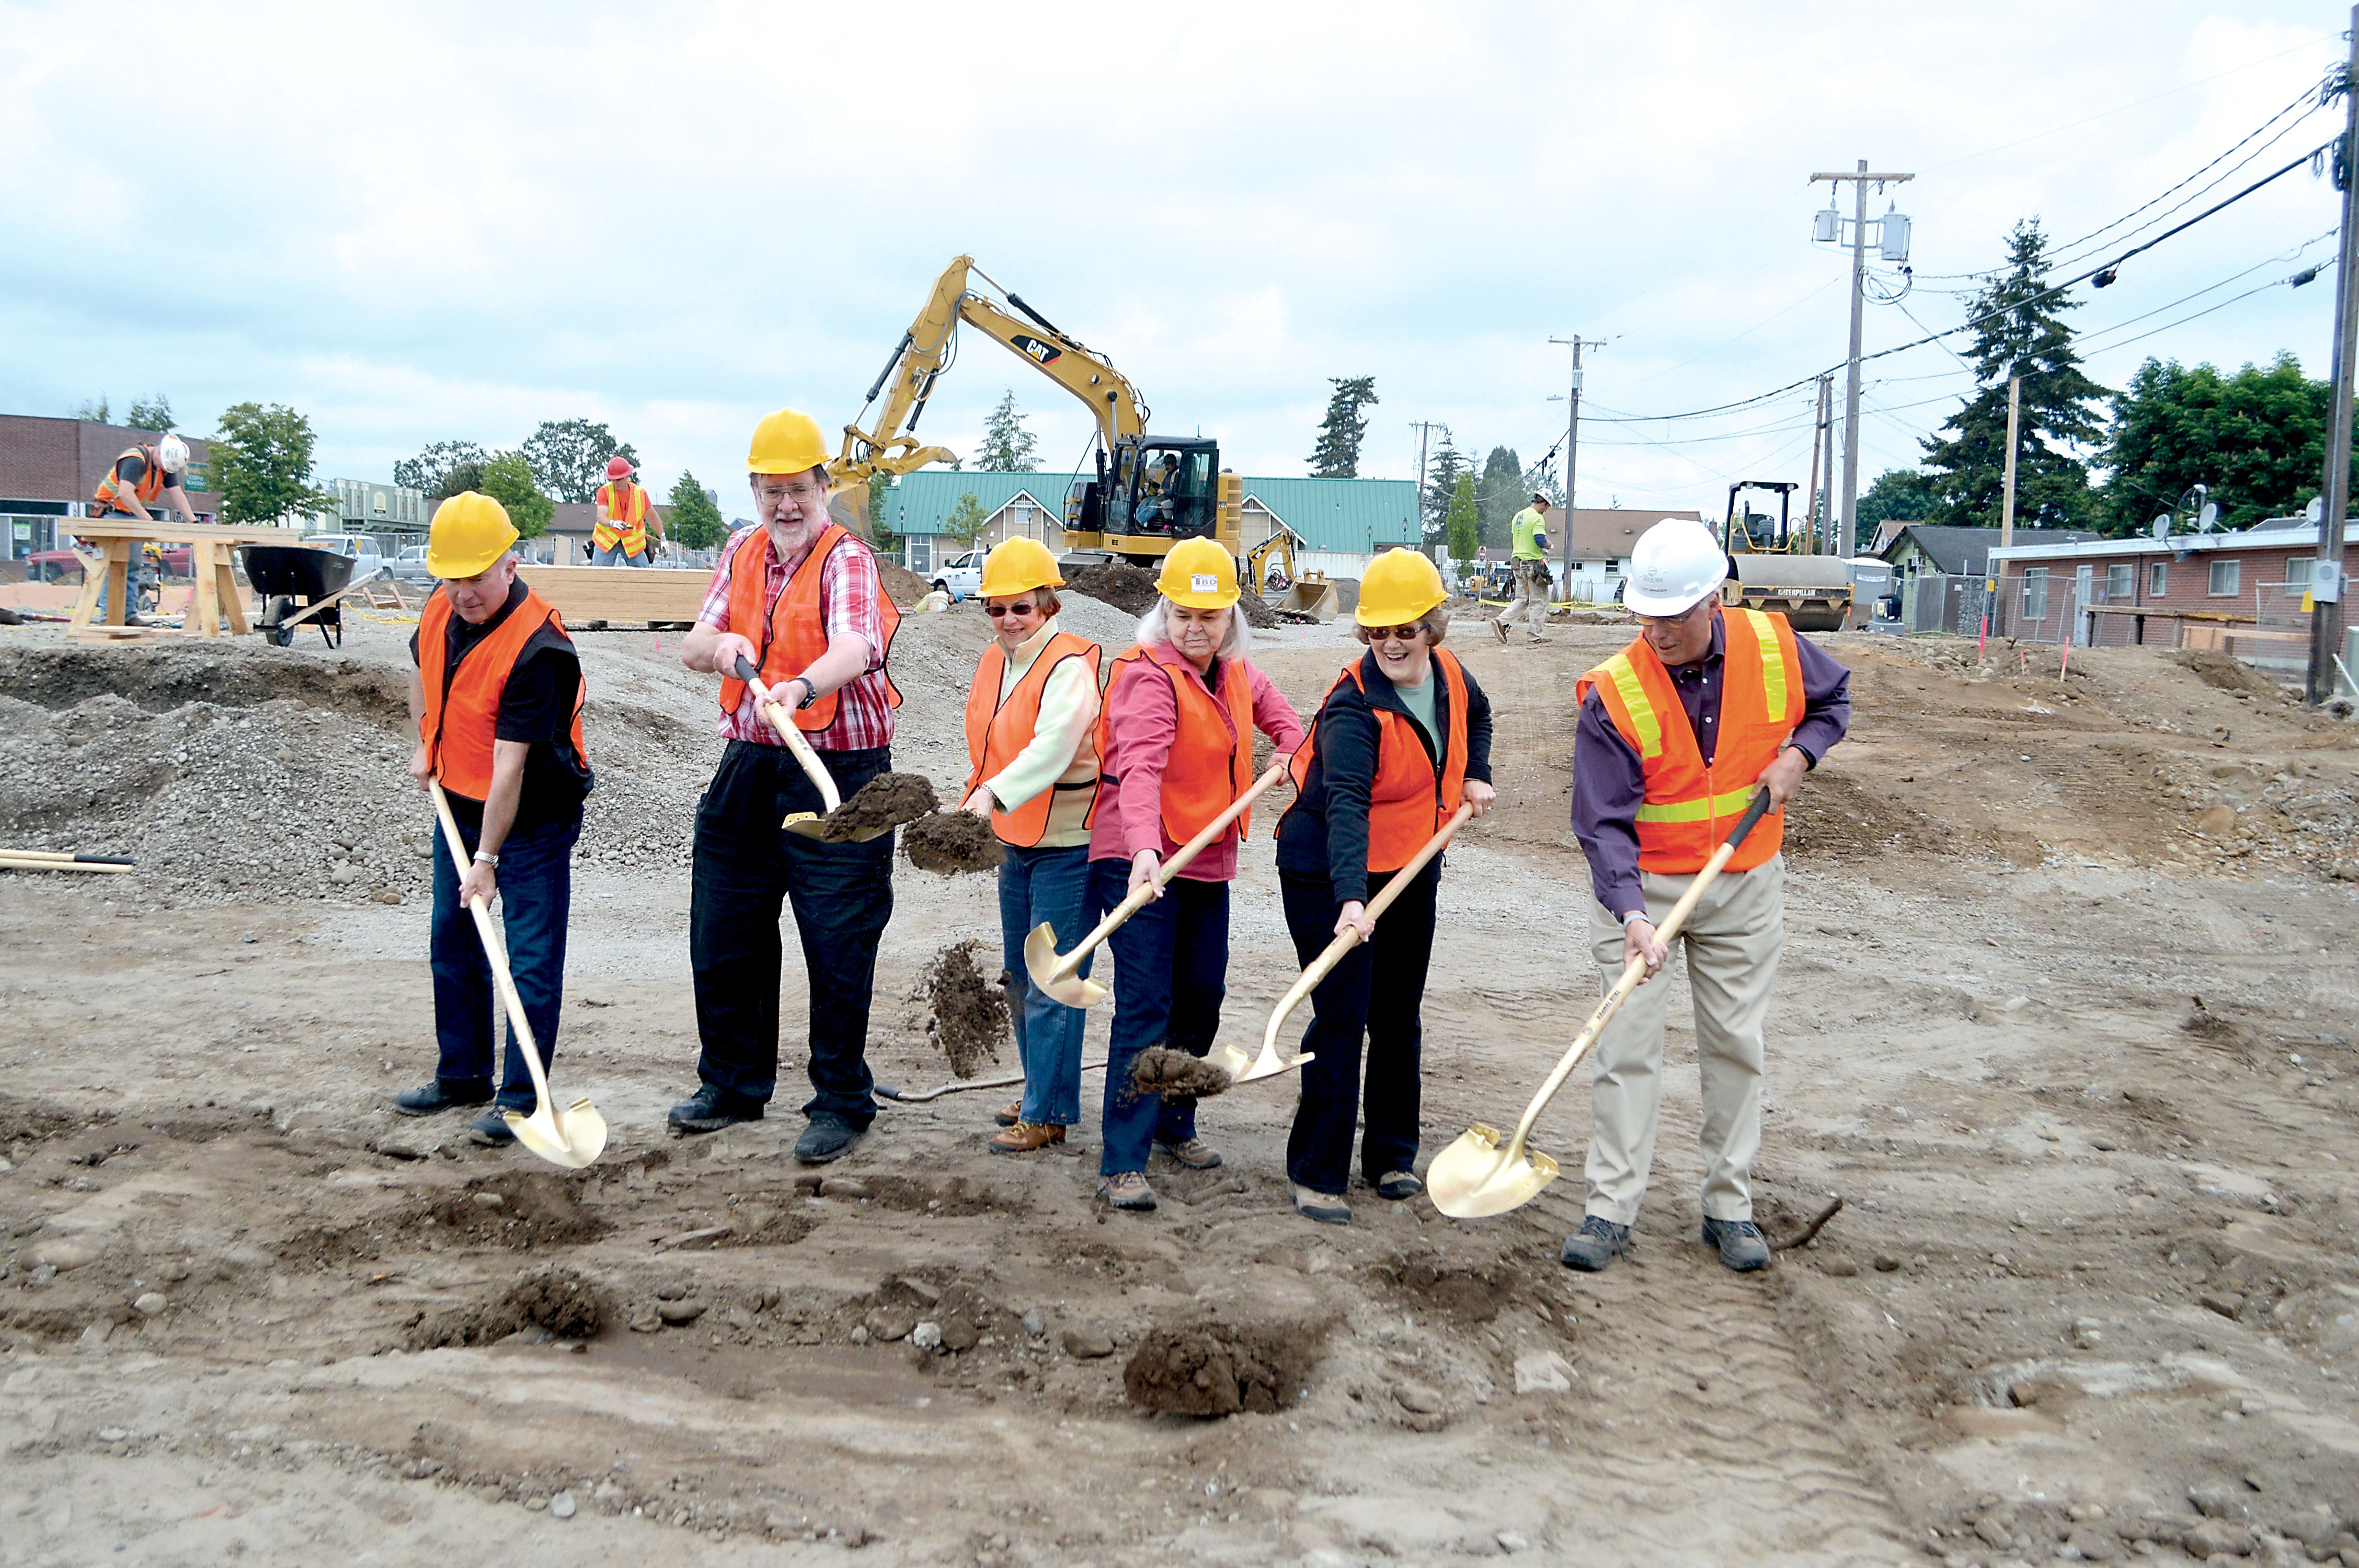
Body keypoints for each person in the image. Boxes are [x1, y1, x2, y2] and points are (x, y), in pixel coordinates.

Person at [1563, 517, 1849, 1273]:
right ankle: (1610, 1207)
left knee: (1734, 1045)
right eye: (1645, 617)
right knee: (1625, 1046)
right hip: (1644, 890)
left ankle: (1729, 1206)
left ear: (1715, 600)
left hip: (1744, 881)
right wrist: (1630, 914)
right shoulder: (1614, 693)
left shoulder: (1777, 644)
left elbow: (1833, 704)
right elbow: (1600, 825)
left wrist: (1801, 754)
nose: (1657, 632)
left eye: (1674, 617)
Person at [674, 408, 902, 1164]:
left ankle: (841, 1098)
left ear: (824, 485)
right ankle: (734, 1084)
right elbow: (695, 644)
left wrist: (800, 687)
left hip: (838, 772)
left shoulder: (848, 561)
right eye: (772, 491)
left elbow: (856, 645)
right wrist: (723, 648)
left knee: (839, 941)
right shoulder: (741, 550)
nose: (786, 506)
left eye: (798, 489)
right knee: (725, 929)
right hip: (748, 767)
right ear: (754, 489)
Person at [1275, 549, 1495, 1224]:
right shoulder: (1353, 707)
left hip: (1411, 864)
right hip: (1327, 872)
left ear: (1434, 626)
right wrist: (1349, 899)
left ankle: (1392, 1157)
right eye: (1379, 632)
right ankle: (1317, 1173)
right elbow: (1344, 802)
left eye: (1407, 629)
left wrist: (1475, 773)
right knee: (1343, 1019)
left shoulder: (1453, 675)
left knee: (1398, 1015)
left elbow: (1479, 718)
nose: (1393, 644)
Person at [1089, 537, 1303, 1211]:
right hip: (1139, 859)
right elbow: (1140, 769)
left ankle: (1174, 1122)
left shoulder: (1239, 674)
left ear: (1231, 618)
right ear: (1165, 612)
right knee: (1146, 1005)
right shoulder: (1146, 676)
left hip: (1206, 861)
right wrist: (1146, 851)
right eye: (1184, 614)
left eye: (1209, 617)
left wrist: (1291, 758)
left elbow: (1287, 726)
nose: (1196, 628)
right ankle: (1123, 1157)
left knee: (1202, 995)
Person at [395, 492, 594, 1147]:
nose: (462, 593)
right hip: (457, 797)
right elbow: (421, 670)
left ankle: (521, 1099)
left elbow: (512, 770)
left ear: (510, 564)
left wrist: (487, 862)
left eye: (476, 578)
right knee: (453, 941)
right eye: (451, 579)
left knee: (529, 959)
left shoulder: (541, 651)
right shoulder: (439, 605)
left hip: (532, 814)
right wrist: (425, 740)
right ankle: (462, 1075)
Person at [956, 537, 1103, 1154]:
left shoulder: (1069, 668)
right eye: (997, 609)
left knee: (1053, 981)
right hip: (1013, 837)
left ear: (1048, 605)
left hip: (1067, 843)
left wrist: (991, 793)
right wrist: (978, 798)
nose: (1009, 620)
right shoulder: (997, 661)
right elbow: (992, 740)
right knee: (1021, 976)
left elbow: (1052, 748)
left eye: (1022, 608)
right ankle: (1044, 1093)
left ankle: (1045, 1114)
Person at [88, 433, 195, 622]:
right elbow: (126, 493)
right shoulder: (136, 460)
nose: (165, 470)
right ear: (160, 452)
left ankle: (128, 616)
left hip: (131, 515)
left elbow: (177, 494)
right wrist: (148, 520)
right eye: (165, 466)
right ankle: (109, 618)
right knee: (113, 567)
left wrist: (194, 521)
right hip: (112, 513)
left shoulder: (165, 465)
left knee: (133, 567)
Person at [1495, 492, 1555, 644]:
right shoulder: (1537, 518)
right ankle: (1535, 636)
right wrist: (1549, 544)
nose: (1546, 510)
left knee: (1523, 598)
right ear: (1543, 503)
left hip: (1517, 561)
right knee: (1539, 600)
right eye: (1547, 507)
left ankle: (1501, 622)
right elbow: (1540, 540)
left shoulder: (1518, 516)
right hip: (1532, 564)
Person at [591, 455, 664, 566]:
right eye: (613, 479)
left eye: (619, 479)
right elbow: (601, 517)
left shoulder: (640, 494)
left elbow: (653, 516)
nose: (616, 483)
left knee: (644, 578)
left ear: (627, 476)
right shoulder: (604, 492)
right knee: (599, 577)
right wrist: (613, 523)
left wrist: (663, 539)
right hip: (606, 542)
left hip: (633, 543)